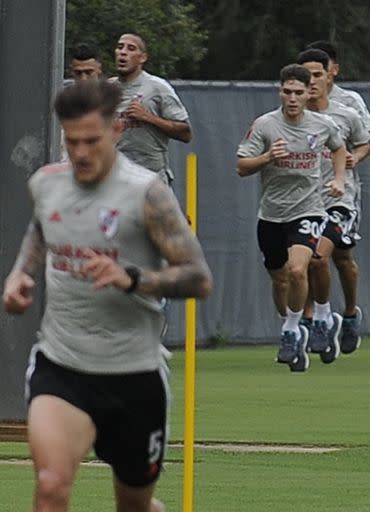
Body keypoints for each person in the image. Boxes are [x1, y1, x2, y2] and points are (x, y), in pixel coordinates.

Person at [2, 80, 213, 512]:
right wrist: (20, 275)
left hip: (133, 374)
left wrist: (133, 278)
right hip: (62, 365)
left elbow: (198, 278)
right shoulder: (48, 184)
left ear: (116, 130)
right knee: (51, 486)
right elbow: (41, 230)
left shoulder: (147, 193)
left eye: (92, 141)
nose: (80, 153)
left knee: (134, 506)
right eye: (72, 141)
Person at [236, 64, 346, 372]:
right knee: (280, 279)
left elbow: (339, 149)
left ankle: (292, 329)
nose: (293, 98)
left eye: (299, 92)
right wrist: (268, 157)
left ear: (308, 92)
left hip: (308, 208)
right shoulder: (265, 126)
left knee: (299, 270)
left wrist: (338, 179)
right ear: (279, 91)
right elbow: (242, 166)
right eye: (288, 92)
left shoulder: (321, 125)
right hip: (271, 214)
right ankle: (292, 330)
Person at [296, 49, 370, 359]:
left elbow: (367, 141)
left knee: (340, 259)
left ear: (331, 74)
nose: (312, 81)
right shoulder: (292, 112)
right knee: (313, 260)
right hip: (304, 200)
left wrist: (354, 158)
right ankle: (316, 318)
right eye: (306, 75)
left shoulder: (347, 109)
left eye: (317, 74)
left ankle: (350, 312)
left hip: (341, 199)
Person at [112, 33, 192, 186]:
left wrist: (147, 117)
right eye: (120, 47)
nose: (123, 52)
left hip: (150, 177)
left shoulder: (157, 87)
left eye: (131, 48)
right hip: (116, 179)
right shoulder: (107, 90)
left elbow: (186, 133)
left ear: (142, 57)